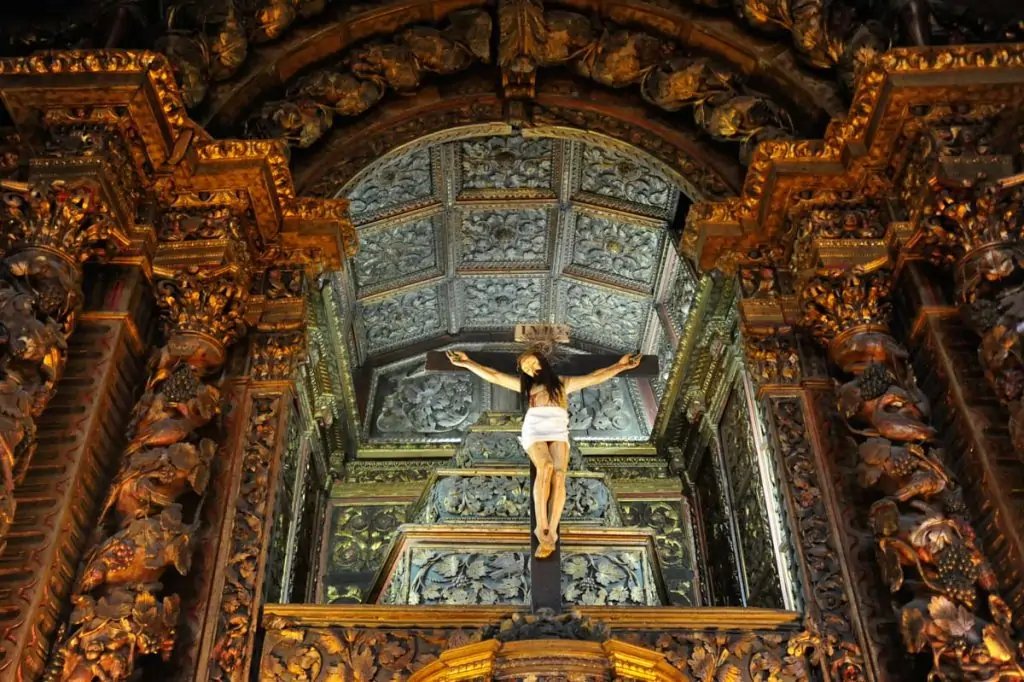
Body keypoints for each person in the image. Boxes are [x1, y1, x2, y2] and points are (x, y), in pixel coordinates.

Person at [445, 348, 642, 558]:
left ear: (542, 362)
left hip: (558, 429)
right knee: (546, 467)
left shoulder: (563, 384)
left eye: (533, 363)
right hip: (535, 429)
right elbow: (494, 376)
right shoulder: (528, 388)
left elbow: (595, 377)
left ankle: (552, 531)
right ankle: (541, 526)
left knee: (559, 475)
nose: (531, 370)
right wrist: (467, 363)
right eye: (526, 369)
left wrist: (621, 366)